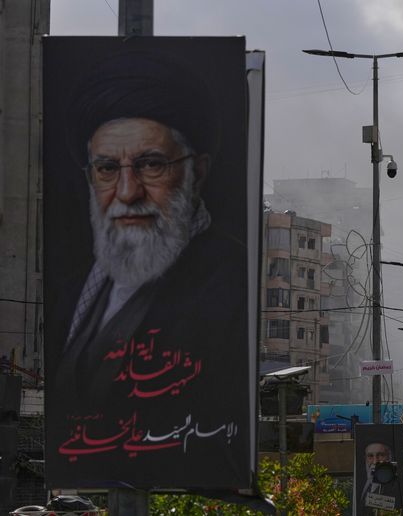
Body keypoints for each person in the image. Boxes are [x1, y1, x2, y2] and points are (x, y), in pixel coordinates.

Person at [45, 46, 250, 488]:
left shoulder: (229, 285)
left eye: (151, 164)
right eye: (106, 168)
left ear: (198, 171)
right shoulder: (77, 286)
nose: (126, 191)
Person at [361, 442, 396, 510]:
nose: (375, 461)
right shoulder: (364, 482)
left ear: (389, 457)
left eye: (380, 455)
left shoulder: (394, 484)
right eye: (370, 456)